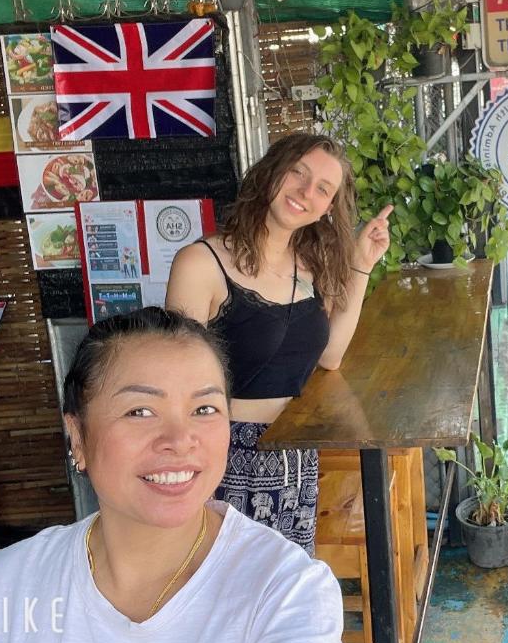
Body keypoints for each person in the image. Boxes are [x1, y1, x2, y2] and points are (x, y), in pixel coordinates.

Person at [0, 307, 346, 643]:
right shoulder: (5, 584)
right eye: (140, 411)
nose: (180, 439)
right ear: (77, 436)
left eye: (204, 409)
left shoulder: (286, 591)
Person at [165, 132, 391, 554]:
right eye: (297, 174)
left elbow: (330, 355)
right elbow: (178, 385)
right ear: (271, 172)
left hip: (293, 458)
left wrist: (361, 265)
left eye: (323, 189)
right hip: (223, 457)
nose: (306, 192)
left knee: (284, 597)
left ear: (328, 208)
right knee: (226, 595)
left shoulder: (309, 267)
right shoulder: (201, 264)